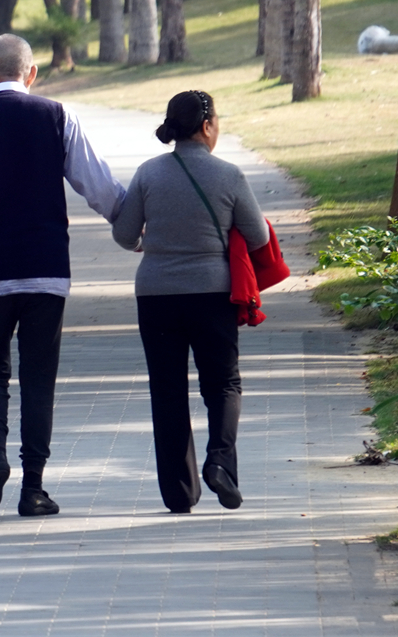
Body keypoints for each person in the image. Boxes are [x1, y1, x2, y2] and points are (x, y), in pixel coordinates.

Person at [0, 34, 127, 517]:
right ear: (32, 73)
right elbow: (98, 185)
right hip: (46, 270)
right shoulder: (57, 117)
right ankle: (33, 488)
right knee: (39, 378)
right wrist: (133, 223)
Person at [111, 90, 268, 514]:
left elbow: (125, 235)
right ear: (206, 126)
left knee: (167, 390)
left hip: (157, 295)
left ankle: (180, 494)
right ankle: (220, 463)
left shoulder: (148, 174)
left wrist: (154, 242)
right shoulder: (229, 175)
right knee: (223, 383)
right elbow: (259, 237)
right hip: (213, 294)